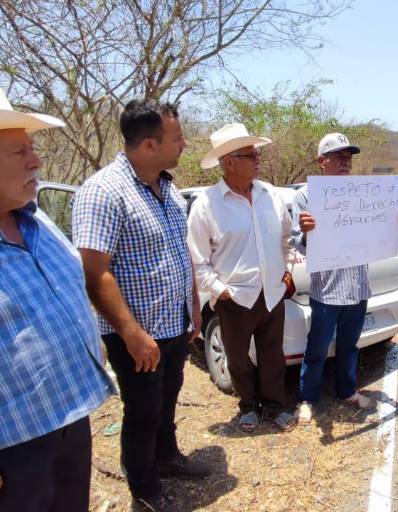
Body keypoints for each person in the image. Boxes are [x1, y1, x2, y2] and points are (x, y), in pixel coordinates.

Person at [73, 99, 210, 511]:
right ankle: (145, 489)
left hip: (173, 325)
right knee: (142, 413)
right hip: (135, 335)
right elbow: (95, 273)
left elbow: (178, 251)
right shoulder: (103, 192)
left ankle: (166, 458)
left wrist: (194, 305)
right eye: (178, 138)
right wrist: (132, 334)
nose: (185, 145)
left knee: (167, 401)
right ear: (149, 145)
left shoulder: (166, 189)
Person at [0, 88, 114, 512]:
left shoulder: (36, 217)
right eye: (18, 152)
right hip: (15, 443)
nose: (36, 161)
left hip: (70, 416)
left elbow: (66, 287)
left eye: (32, 148)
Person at [187, 123, 296, 432]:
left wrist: (286, 269)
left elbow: (286, 239)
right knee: (237, 358)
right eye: (250, 155)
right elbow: (197, 260)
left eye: (256, 153)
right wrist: (221, 291)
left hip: (272, 293)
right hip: (234, 298)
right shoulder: (206, 205)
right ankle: (248, 406)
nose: (257, 159)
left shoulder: (270, 195)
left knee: (272, 354)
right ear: (229, 161)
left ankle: (275, 406)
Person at [291, 133, 384, 424]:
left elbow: (378, 234)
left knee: (349, 346)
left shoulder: (363, 194)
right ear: (322, 162)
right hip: (327, 289)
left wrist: (392, 219)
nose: (346, 161)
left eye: (349, 156)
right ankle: (307, 399)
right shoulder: (306, 196)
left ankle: (347, 391)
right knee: (317, 348)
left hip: (358, 285)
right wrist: (307, 230)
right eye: (338, 156)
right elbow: (298, 242)